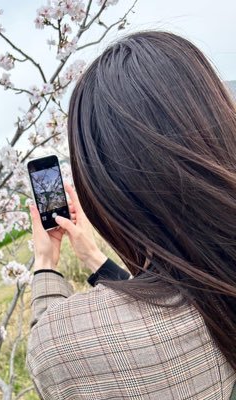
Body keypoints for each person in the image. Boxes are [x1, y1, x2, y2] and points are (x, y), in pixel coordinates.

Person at [26, 31, 236, 399]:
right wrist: (94, 259)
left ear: (103, 186)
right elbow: (179, 286)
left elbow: (51, 354)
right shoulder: (215, 282)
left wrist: (45, 263)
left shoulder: (64, 344)